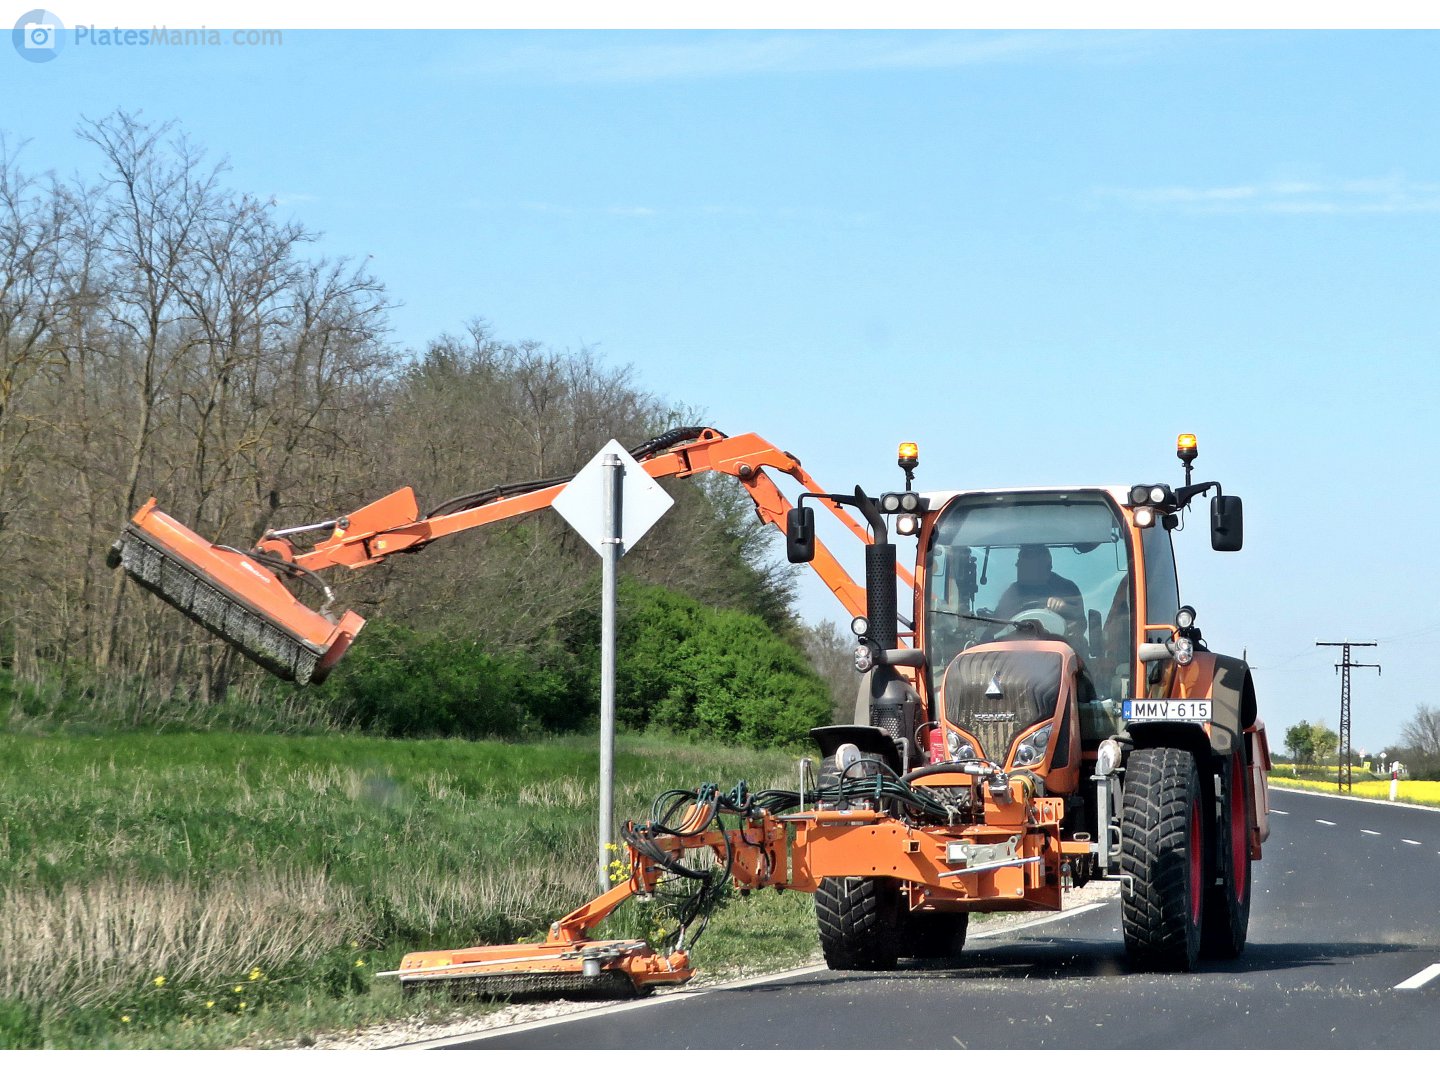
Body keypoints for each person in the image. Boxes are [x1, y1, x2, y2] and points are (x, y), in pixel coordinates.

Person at [994, 544, 1085, 637]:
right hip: (1015, 647)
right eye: (1019, 562)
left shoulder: (1066, 588)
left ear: (1044, 566)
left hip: (1059, 647)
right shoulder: (1011, 593)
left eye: (1026, 563)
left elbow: (1081, 625)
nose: (1017, 565)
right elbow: (993, 629)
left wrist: (1064, 608)